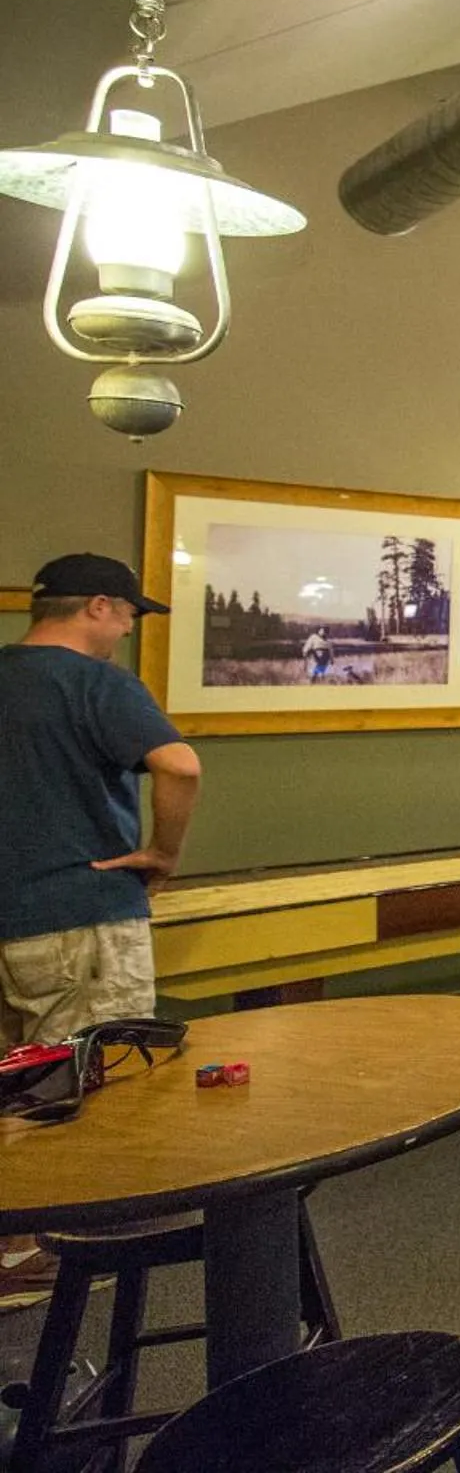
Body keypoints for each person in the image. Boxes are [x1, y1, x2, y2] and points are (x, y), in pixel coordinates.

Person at [1, 554, 203, 1308]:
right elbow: (180, 768)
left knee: (11, 1079)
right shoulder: (98, 684)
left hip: (10, 909)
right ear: (96, 607)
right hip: (77, 913)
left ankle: (13, 1235)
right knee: (74, 1086)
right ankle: (45, 1248)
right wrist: (162, 853)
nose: (127, 629)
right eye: (128, 614)